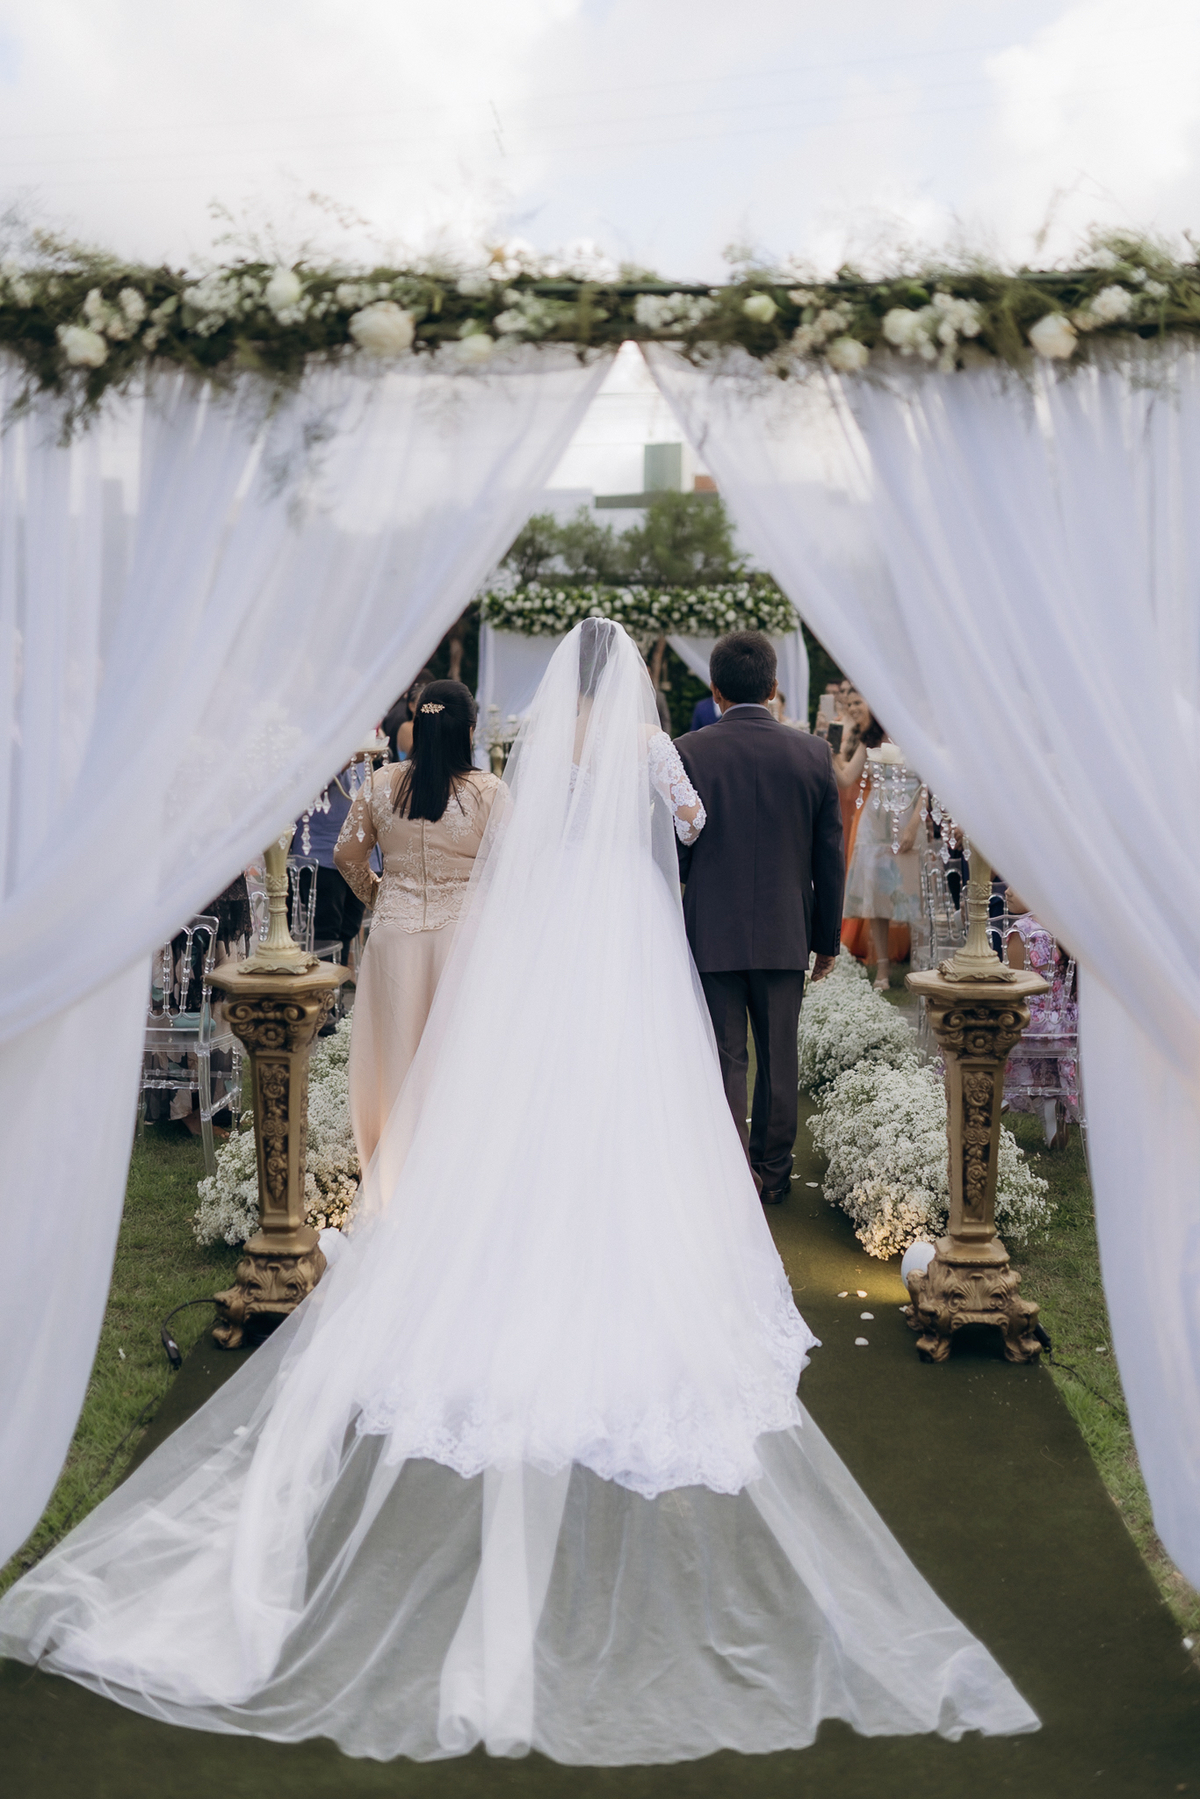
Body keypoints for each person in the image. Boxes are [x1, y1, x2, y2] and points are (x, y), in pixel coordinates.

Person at [0, 621, 1037, 1763]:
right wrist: (654, 836)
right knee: (646, 1087)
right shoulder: (655, 746)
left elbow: (520, 843)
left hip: (551, 940)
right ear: (637, 678)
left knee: (532, 1085)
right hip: (633, 935)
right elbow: (686, 828)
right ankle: (625, 1230)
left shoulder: (540, 744)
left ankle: (522, 1221)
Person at [674, 631, 844, 1205]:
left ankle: (728, 1179)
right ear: (774, 688)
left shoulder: (687, 751)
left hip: (710, 931)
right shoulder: (812, 754)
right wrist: (827, 940)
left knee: (725, 1057)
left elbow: (677, 850)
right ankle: (772, 1176)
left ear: (714, 689)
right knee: (778, 1057)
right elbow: (829, 857)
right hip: (784, 930)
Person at [334, 679, 503, 1168]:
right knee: (462, 1055)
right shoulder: (488, 791)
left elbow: (347, 854)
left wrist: (381, 897)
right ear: (469, 730)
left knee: (394, 1056)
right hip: (466, 938)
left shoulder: (380, 784)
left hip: (394, 938)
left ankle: (395, 1160)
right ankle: (460, 1160)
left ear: (418, 728)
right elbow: (519, 867)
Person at [834, 687, 920, 990]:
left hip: (908, 817)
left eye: (858, 702)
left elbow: (928, 785)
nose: (853, 708)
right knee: (877, 897)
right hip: (875, 824)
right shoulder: (868, 740)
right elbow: (846, 778)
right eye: (849, 704)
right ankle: (882, 970)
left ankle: (922, 966)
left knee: (914, 894)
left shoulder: (911, 733)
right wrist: (829, 752)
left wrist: (913, 825)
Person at [1002, 885, 1080, 1148]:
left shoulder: (1024, 930)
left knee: (975, 1020)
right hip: (1064, 1020)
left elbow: (1015, 986)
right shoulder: (1063, 924)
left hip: (1030, 1020)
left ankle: (995, 1089)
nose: (1008, 891)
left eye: (1019, 884)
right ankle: (1046, 1103)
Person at [296, 768, 370, 967]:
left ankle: (335, 984)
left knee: (351, 924)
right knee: (326, 929)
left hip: (359, 849)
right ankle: (323, 990)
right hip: (319, 848)